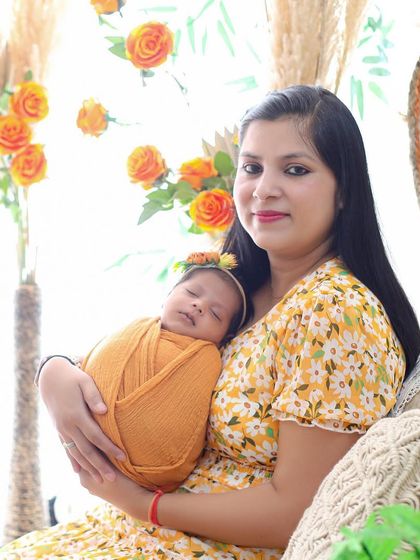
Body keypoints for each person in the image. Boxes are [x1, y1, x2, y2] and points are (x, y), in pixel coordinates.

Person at [2, 85, 420, 559]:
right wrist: (53, 370)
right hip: (139, 532)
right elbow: (144, 353)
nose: (264, 188)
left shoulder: (336, 311)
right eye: (252, 167)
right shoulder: (239, 287)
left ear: (344, 190)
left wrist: (144, 504)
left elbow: (299, 512)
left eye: (296, 169)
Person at [37, 251, 249, 492]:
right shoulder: (137, 328)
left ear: (225, 338)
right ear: (167, 296)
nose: (199, 306)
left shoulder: (207, 357)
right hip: (89, 452)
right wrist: (51, 366)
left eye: (215, 314)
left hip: (151, 478)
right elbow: (94, 362)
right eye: (191, 293)